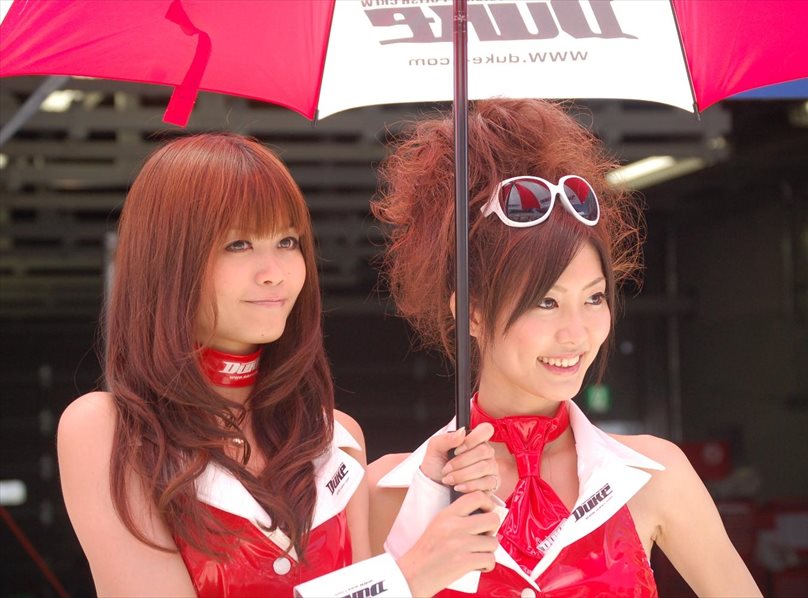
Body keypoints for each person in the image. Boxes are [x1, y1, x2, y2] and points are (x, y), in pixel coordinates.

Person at [56, 133, 502, 597]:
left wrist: (432, 494)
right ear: (168, 259)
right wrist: (408, 577)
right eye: (238, 244)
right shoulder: (111, 431)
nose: (275, 272)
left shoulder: (335, 438)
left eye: (287, 241)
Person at [368, 99, 762, 597]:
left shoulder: (653, 475)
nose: (576, 333)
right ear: (472, 313)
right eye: (547, 302)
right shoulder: (389, 491)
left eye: (594, 298)